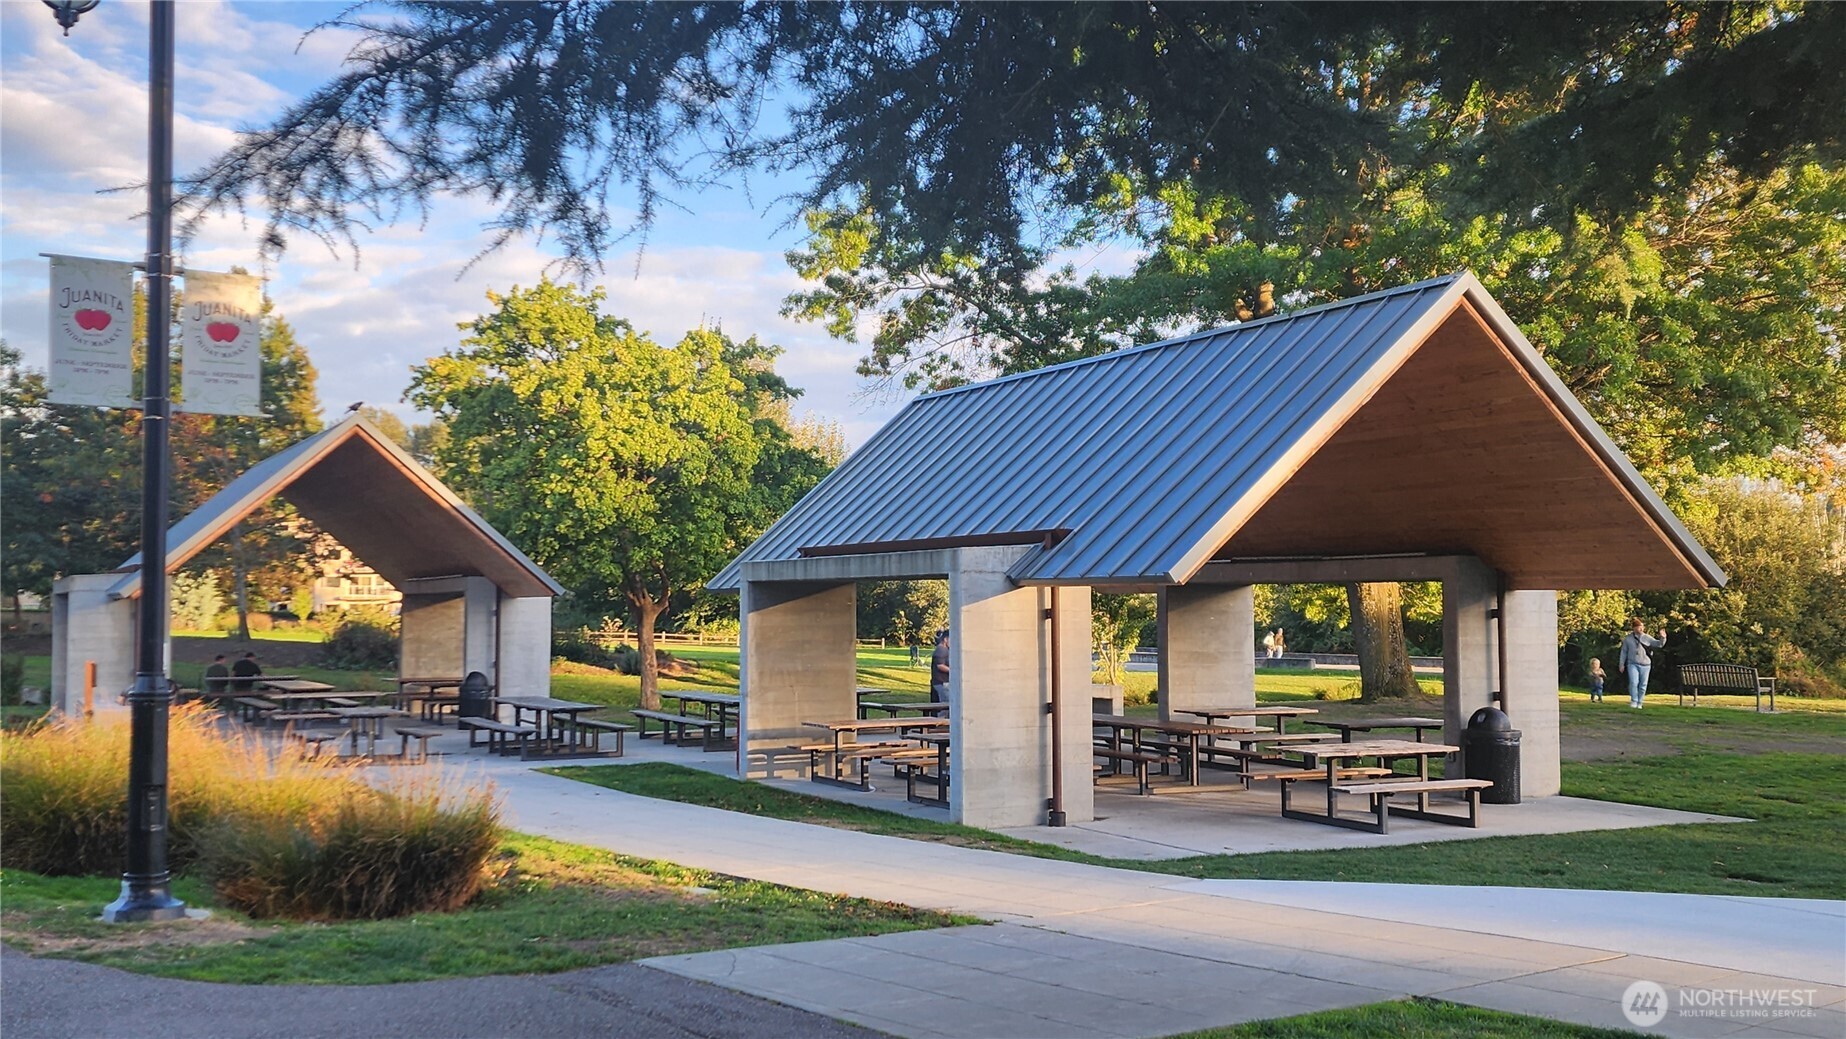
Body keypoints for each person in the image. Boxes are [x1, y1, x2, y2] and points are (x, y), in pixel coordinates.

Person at [1618, 618, 1666, 709]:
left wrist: (1663, 637)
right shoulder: (1628, 639)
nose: (1641, 629)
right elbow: (1624, 652)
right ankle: (1634, 701)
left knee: (1643, 684)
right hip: (1632, 663)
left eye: (1642, 627)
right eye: (1639, 627)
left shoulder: (1647, 637)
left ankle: (1640, 702)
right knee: (1633, 682)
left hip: (1646, 664)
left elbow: (1659, 644)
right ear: (1634, 628)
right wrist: (1621, 664)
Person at [929, 629, 950, 703]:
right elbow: (940, 665)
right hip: (942, 682)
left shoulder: (945, 649)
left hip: (944, 682)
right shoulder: (941, 650)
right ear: (945, 639)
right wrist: (953, 671)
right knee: (945, 705)